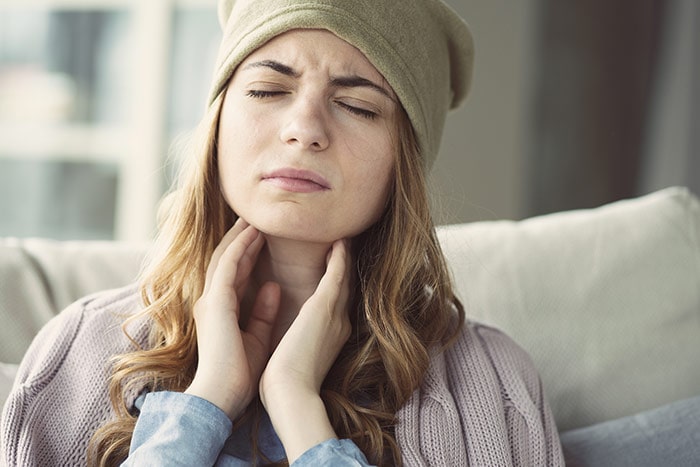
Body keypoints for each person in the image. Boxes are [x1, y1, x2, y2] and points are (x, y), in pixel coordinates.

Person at [1, 0, 564, 465]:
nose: (304, 129)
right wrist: (206, 402)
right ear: (218, 123)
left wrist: (299, 409)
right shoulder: (78, 350)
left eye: (356, 106)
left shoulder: (493, 386)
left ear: (405, 165)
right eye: (269, 91)